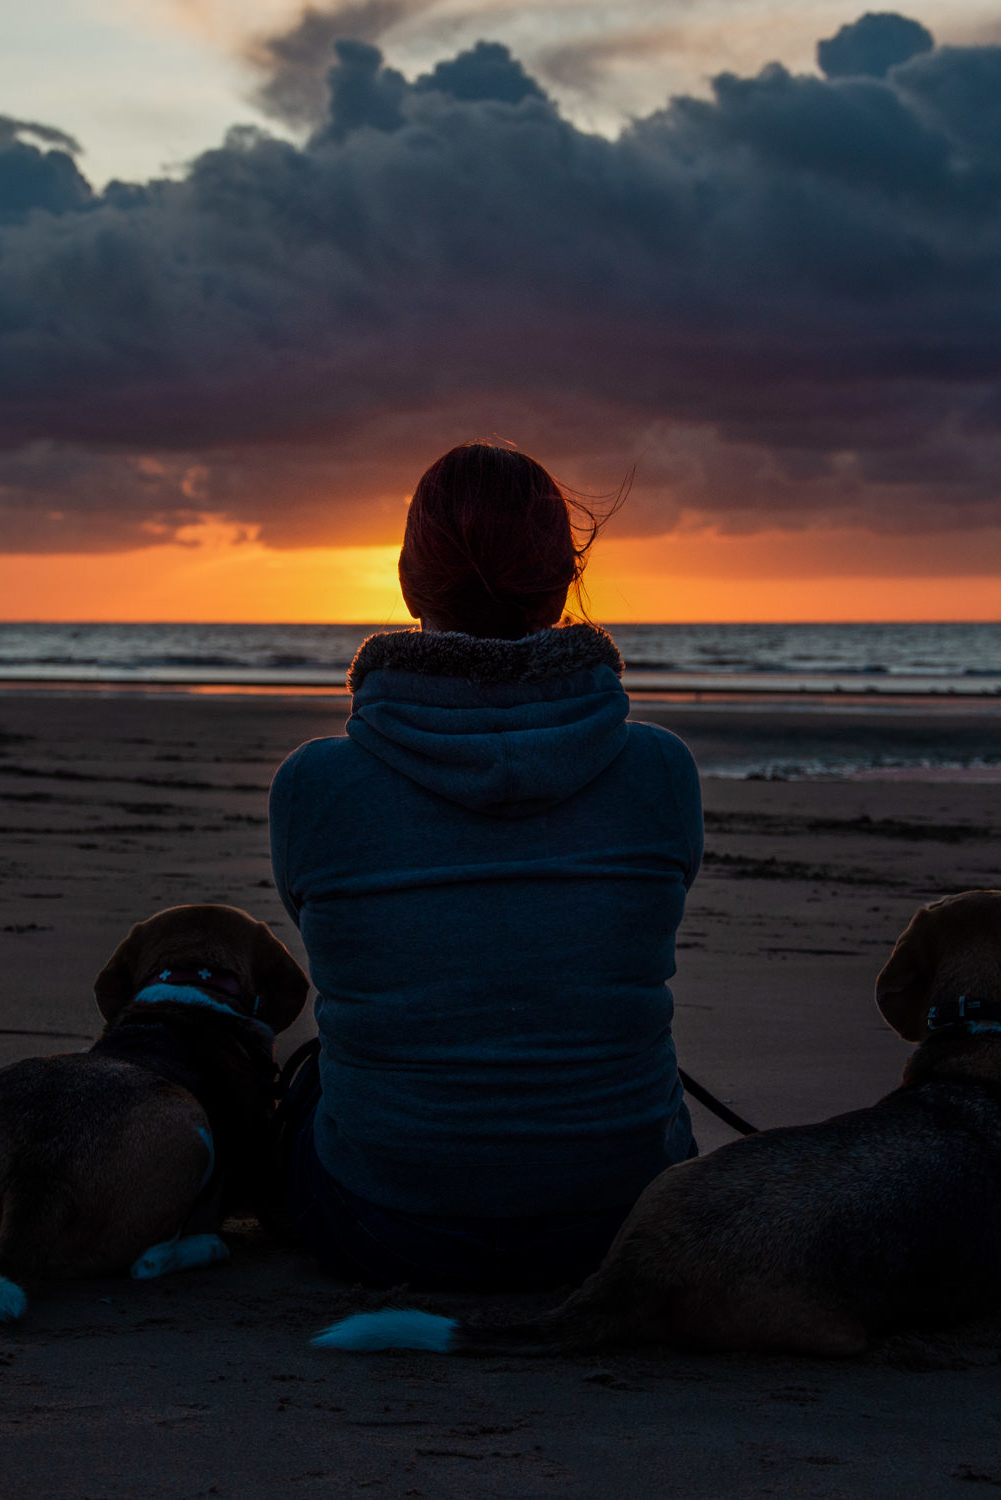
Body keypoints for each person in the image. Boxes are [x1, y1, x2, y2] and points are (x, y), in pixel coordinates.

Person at [268, 441, 702, 1291]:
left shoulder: (315, 784)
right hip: (620, 1220)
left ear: (408, 585)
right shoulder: (660, 771)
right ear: (563, 580)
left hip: (386, 1226)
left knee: (307, 1083)